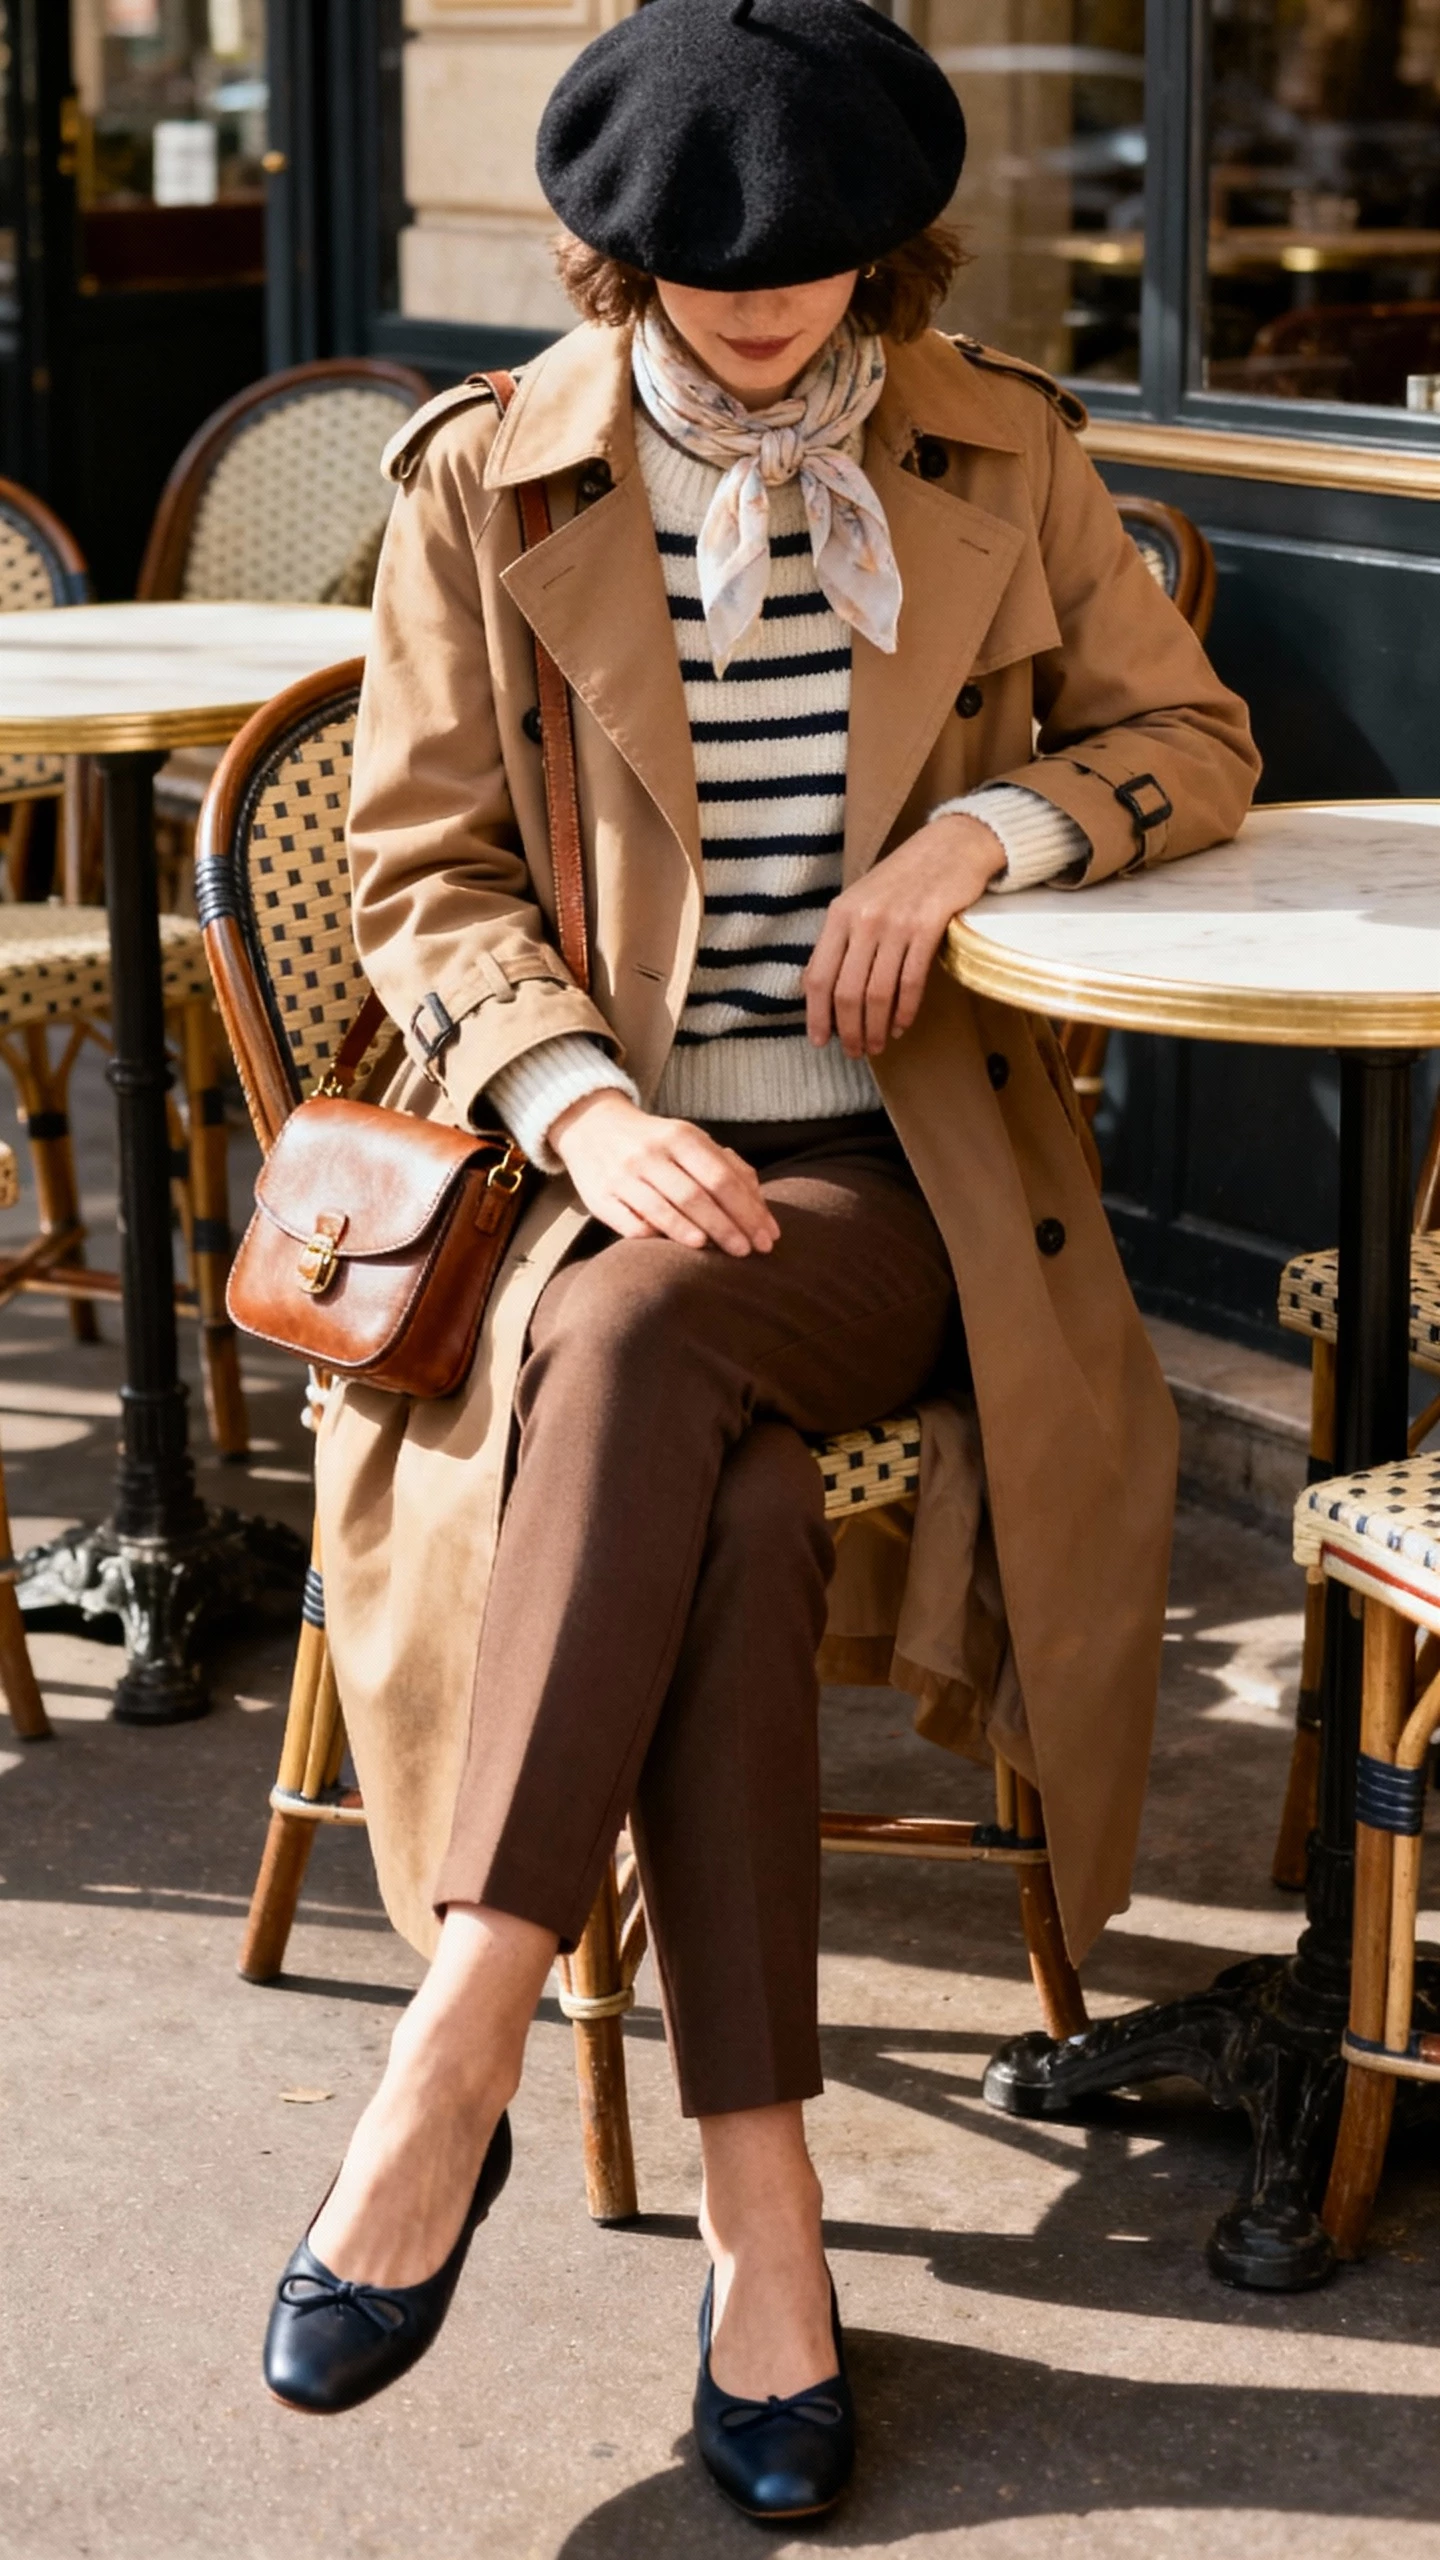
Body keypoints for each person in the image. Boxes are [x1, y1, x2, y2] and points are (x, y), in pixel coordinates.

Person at [260, 0, 1260, 2521]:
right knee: (683, 1464)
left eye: (813, 271)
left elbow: (1198, 739)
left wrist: (990, 837)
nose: (764, 312)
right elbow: (423, 872)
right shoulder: (486, 485)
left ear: (887, 251)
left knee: (646, 1333)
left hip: (904, 1187)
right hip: (591, 1175)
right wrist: (582, 1099)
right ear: (618, 260)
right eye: (710, 277)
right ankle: (768, 2222)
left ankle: (451, 2042)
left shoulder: (1003, 447)